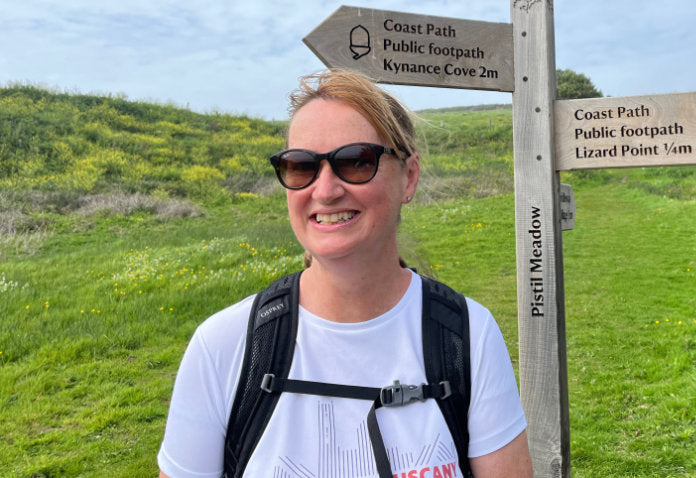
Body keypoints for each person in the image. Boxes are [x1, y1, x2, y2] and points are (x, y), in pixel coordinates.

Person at [158, 69, 531, 478]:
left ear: (409, 176)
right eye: (301, 166)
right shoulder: (224, 347)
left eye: (356, 161)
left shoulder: (469, 336)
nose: (325, 189)